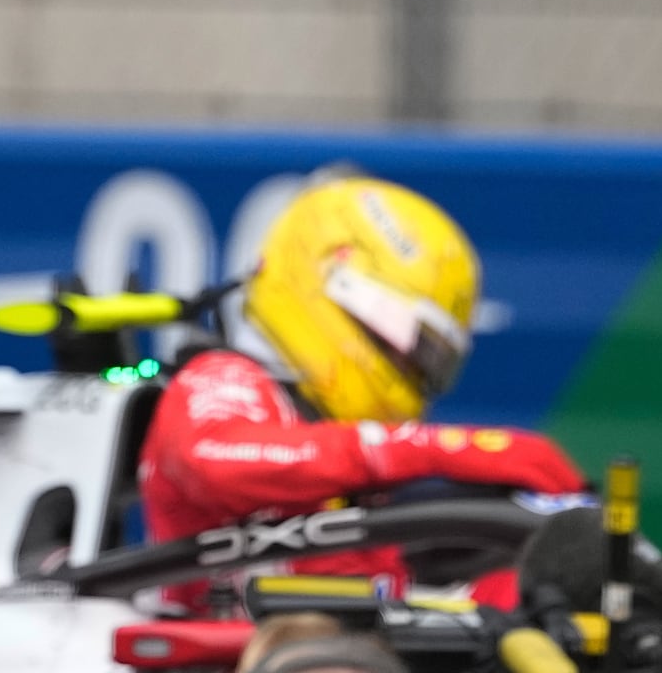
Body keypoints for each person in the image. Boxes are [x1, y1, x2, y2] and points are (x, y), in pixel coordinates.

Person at [139, 176, 584, 665]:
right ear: (330, 283)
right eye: (407, 338)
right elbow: (214, 460)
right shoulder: (227, 379)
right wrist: (442, 448)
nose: (412, 365)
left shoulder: (350, 462)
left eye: (430, 356)